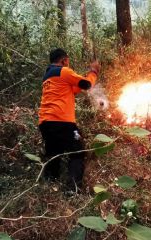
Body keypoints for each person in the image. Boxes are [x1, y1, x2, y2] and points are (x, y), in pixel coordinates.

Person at [38, 48, 100, 192]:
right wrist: (94, 72)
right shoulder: (63, 71)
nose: (68, 63)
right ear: (64, 60)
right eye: (68, 60)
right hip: (62, 123)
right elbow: (86, 84)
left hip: (45, 123)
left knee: (54, 154)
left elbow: (75, 88)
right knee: (78, 152)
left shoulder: (48, 76)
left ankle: (49, 187)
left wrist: (88, 76)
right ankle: (73, 190)